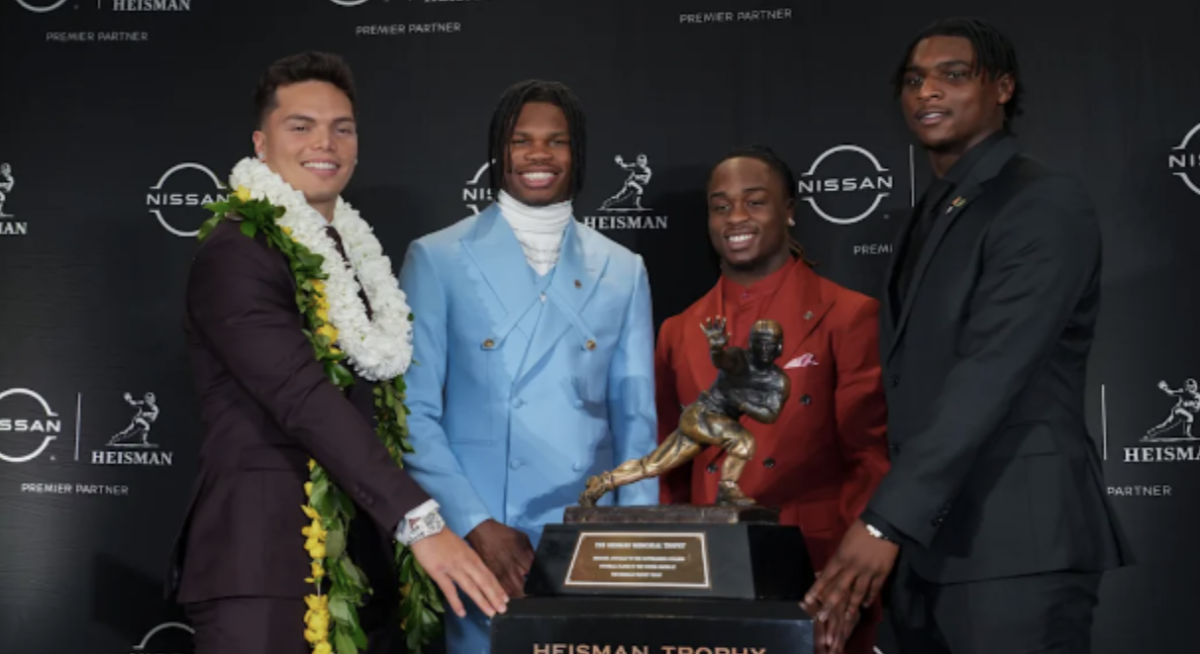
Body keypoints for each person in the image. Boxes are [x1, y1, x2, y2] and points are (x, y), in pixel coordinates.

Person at [802, 17, 1134, 654]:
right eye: (914, 79)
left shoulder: (1042, 201)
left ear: (1003, 88)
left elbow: (990, 373)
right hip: (929, 554)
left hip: (1016, 548)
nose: (927, 92)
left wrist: (882, 523)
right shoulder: (932, 211)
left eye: (953, 75)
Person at [167, 51, 507, 654]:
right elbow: (301, 397)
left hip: (359, 568)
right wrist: (423, 523)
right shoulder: (236, 253)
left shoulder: (348, 257)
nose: (324, 142)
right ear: (261, 143)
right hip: (263, 568)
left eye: (341, 128)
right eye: (300, 125)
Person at [398, 79, 659, 654]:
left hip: (585, 545)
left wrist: (630, 547)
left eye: (556, 141)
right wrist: (474, 525)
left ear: (578, 152)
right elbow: (412, 415)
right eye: (522, 141)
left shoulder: (623, 269)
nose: (539, 155)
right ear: (499, 151)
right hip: (480, 546)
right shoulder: (436, 258)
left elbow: (636, 426)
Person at [652, 146, 890, 654]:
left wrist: (846, 577)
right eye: (721, 205)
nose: (735, 217)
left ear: (789, 209)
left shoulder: (848, 315)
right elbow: (668, 467)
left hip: (815, 574)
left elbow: (868, 457)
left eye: (755, 202)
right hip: (710, 572)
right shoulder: (677, 330)